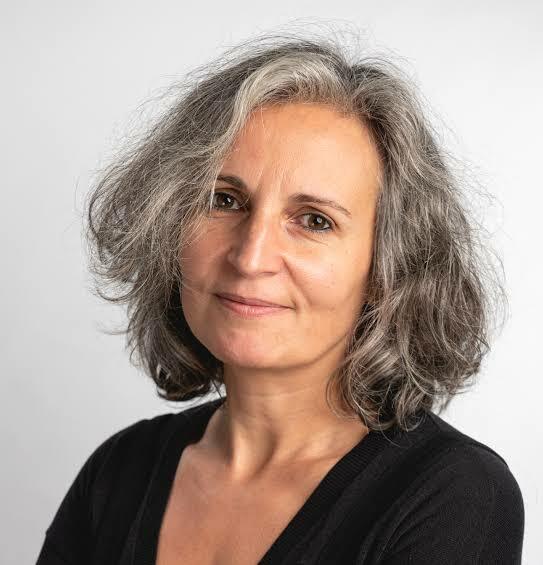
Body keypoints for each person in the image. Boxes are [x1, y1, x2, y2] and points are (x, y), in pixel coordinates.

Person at [36, 32, 525, 565]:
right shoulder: (117, 472)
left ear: (388, 268)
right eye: (224, 200)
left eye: (314, 221)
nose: (251, 257)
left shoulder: (452, 497)